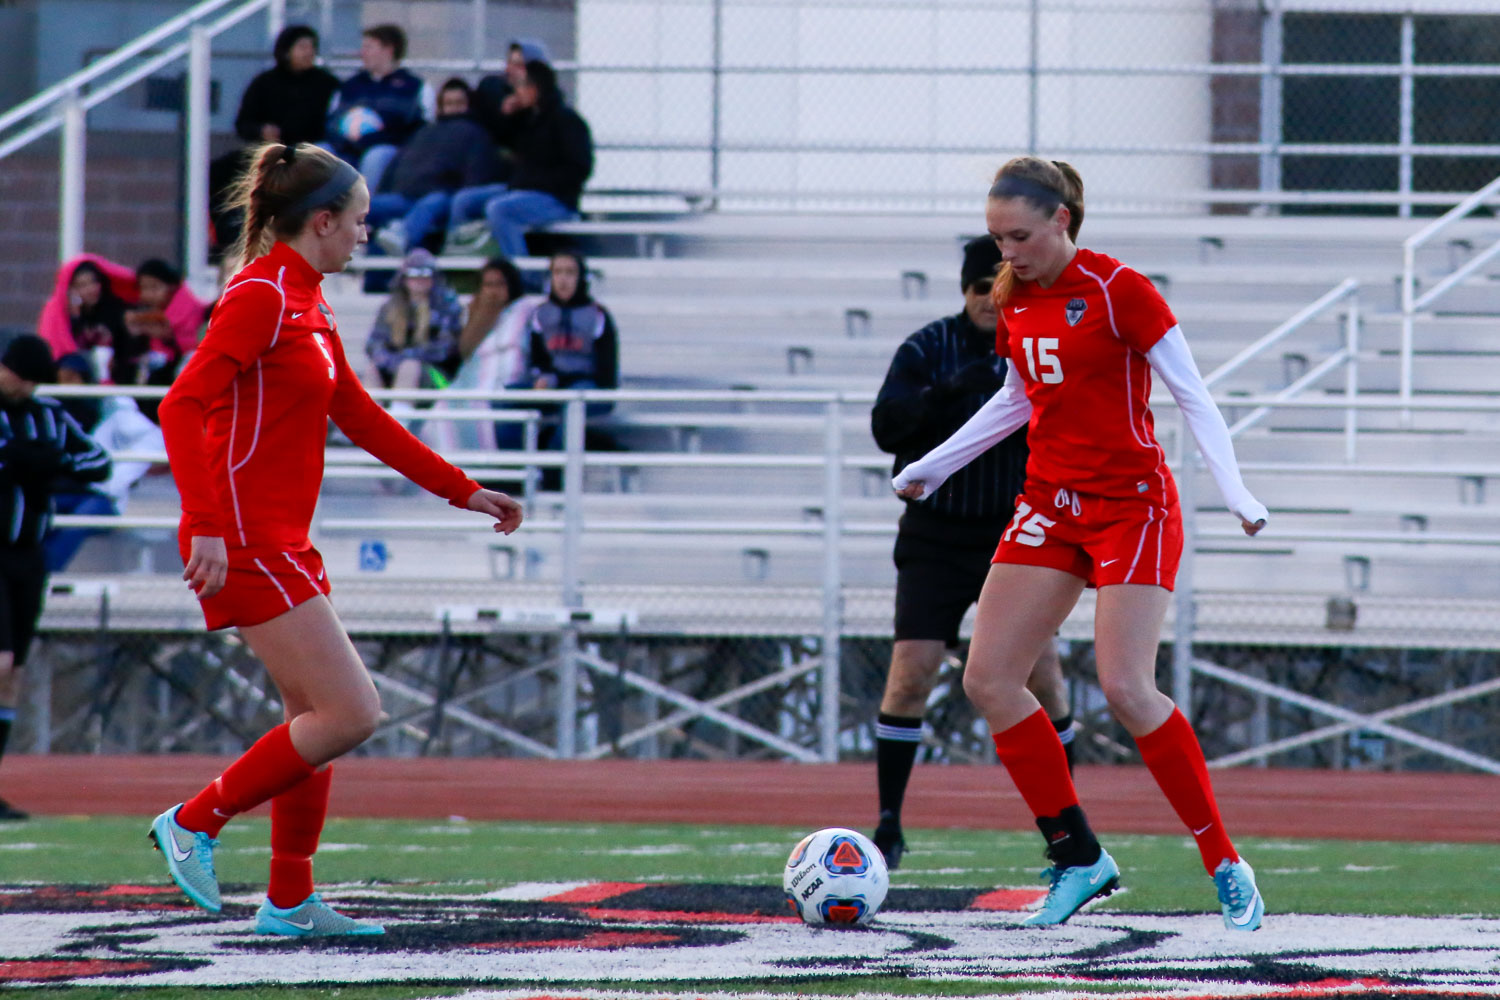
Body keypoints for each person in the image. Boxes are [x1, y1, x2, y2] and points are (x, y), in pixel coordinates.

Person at [149, 141, 523, 936]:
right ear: (320, 222)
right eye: (357, 223)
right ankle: (194, 821)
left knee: (309, 720)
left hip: (280, 535)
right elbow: (181, 406)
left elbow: (359, 414)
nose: (366, 236)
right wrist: (208, 523)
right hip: (244, 534)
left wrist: (463, 489)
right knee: (353, 713)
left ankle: (288, 900)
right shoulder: (259, 298)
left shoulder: (308, 301)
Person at [893, 157, 1269, 931]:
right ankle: (1078, 857)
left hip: (1132, 506)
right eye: (998, 238)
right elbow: (1017, 400)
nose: (1008, 252)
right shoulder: (1016, 293)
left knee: (1128, 689)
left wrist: (1236, 492)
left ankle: (1224, 860)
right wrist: (931, 468)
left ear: (1062, 220)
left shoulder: (1119, 290)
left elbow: (1194, 395)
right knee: (989, 679)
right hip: (1049, 504)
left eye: (1020, 235)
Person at [869, 237, 1073, 872]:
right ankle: (888, 823)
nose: (990, 296)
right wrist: (951, 391)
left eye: (1001, 282)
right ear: (964, 290)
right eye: (980, 285)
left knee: (1043, 676)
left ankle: (1069, 829)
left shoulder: (1040, 344)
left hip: (1014, 537)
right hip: (934, 535)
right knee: (912, 674)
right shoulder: (929, 347)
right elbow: (885, 428)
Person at [0, 336, 112, 820]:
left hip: (29, 556)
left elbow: (97, 462)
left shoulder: (48, 415)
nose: (23, 385)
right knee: (0, 663)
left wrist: (56, 462)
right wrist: (14, 461)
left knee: (14, 675)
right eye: (17, 374)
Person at [214, 24, 341, 254]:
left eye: (312, 47)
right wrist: (261, 130)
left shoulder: (326, 84)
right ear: (286, 50)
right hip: (267, 150)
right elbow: (243, 124)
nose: (309, 52)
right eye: (302, 46)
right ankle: (228, 241)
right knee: (220, 172)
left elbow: (335, 124)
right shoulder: (265, 83)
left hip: (309, 151)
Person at [448, 61, 593, 258]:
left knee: (499, 209)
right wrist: (507, 116)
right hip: (519, 189)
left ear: (535, 88)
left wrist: (540, 182)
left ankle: (520, 275)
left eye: (521, 85)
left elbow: (580, 168)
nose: (516, 92)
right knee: (463, 202)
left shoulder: (567, 120)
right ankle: (462, 263)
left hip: (555, 198)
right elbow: (502, 142)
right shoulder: (526, 119)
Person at [44, 352, 167, 572]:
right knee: (34, 514)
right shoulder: (48, 412)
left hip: (101, 497)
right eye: (61, 379)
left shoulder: (111, 409)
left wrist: (115, 479)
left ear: (86, 378)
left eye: (73, 378)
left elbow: (154, 439)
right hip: (59, 491)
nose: (66, 385)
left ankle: (45, 574)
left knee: (81, 519)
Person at [367, 78, 502, 256]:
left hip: (441, 197)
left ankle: (402, 235)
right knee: (363, 207)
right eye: (448, 103)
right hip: (405, 196)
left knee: (430, 204)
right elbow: (396, 165)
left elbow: (476, 175)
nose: (453, 107)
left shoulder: (476, 133)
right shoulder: (424, 131)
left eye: (459, 102)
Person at [426, 256, 543, 453]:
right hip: (474, 378)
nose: (493, 290)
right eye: (488, 285)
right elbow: (466, 351)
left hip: (509, 378)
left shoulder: (524, 310)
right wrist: (485, 313)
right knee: (443, 407)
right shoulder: (475, 310)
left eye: (499, 284)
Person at [325, 24, 434, 193]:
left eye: (368, 47)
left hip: (388, 149)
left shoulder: (414, 87)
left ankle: (365, 210)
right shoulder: (350, 86)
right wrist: (345, 140)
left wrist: (378, 137)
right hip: (346, 147)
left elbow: (419, 130)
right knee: (321, 151)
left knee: (376, 156)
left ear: (388, 50)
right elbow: (332, 121)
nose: (362, 53)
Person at [363, 248, 464, 391]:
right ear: (404, 278)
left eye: (425, 274)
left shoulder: (446, 306)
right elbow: (373, 344)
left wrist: (407, 358)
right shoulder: (390, 306)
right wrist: (390, 360)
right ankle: (372, 412)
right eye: (413, 274)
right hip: (394, 368)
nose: (419, 280)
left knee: (409, 368)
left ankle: (401, 412)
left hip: (436, 375)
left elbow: (446, 349)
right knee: (372, 370)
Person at [472, 39, 551, 148]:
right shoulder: (492, 87)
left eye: (519, 65)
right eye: (510, 63)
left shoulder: (549, 107)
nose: (511, 70)